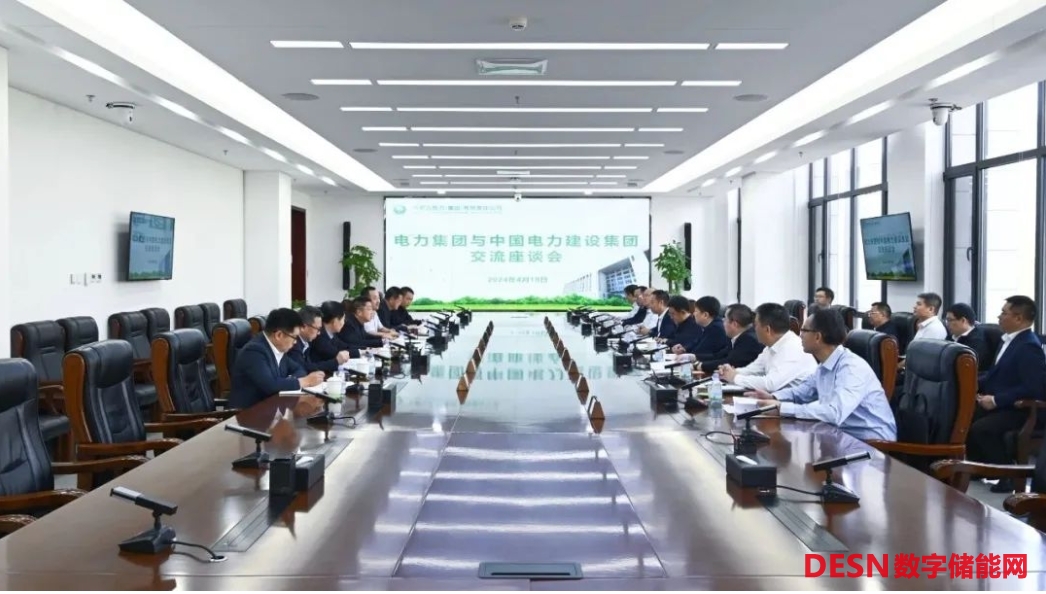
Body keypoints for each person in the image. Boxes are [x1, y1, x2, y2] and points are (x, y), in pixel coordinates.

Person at [750, 308, 897, 441]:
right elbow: (802, 392)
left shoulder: (851, 368)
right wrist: (773, 398)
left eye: (804, 330)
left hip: (871, 445)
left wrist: (781, 408)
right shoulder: (824, 365)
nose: (800, 335)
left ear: (817, 337)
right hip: (840, 435)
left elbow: (834, 412)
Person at [967, 296, 1046, 492]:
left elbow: (1033, 387)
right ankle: (980, 467)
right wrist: (972, 383)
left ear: (1018, 318)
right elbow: (996, 375)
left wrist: (995, 400)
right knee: (964, 416)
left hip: (1021, 409)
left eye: (1004, 313)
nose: (999, 317)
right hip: (1003, 403)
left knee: (983, 428)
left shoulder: (1028, 346)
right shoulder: (1009, 341)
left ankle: (1007, 475)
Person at [229, 308, 325, 409]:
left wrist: (288, 381)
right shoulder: (254, 351)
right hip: (248, 412)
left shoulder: (278, 348)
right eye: (294, 337)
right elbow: (270, 386)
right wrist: (305, 381)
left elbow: (299, 369)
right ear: (279, 335)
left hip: (271, 407)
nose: (296, 342)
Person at [719, 302, 817, 392]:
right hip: (776, 399)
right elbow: (754, 370)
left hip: (797, 403)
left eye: (756, 325)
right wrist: (731, 372)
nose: (754, 329)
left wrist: (734, 378)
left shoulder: (792, 348)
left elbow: (770, 384)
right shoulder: (772, 346)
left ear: (767, 330)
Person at [687, 304, 763, 374]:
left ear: (734, 324)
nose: (723, 322)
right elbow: (719, 355)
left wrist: (700, 366)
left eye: (725, 319)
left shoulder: (749, 340)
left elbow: (730, 362)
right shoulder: (736, 337)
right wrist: (694, 357)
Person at [287, 305, 353, 374]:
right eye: (317, 329)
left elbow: (311, 365)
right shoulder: (293, 344)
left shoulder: (307, 341)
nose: (319, 333)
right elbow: (303, 368)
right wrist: (335, 362)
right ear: (303, 327)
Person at [944, 303, 993, 372]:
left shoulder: (976, 341)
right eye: (946, 320)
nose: (947, 324)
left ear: (963, 320)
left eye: (950, 320)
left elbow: (964, 366)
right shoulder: (951, 336)